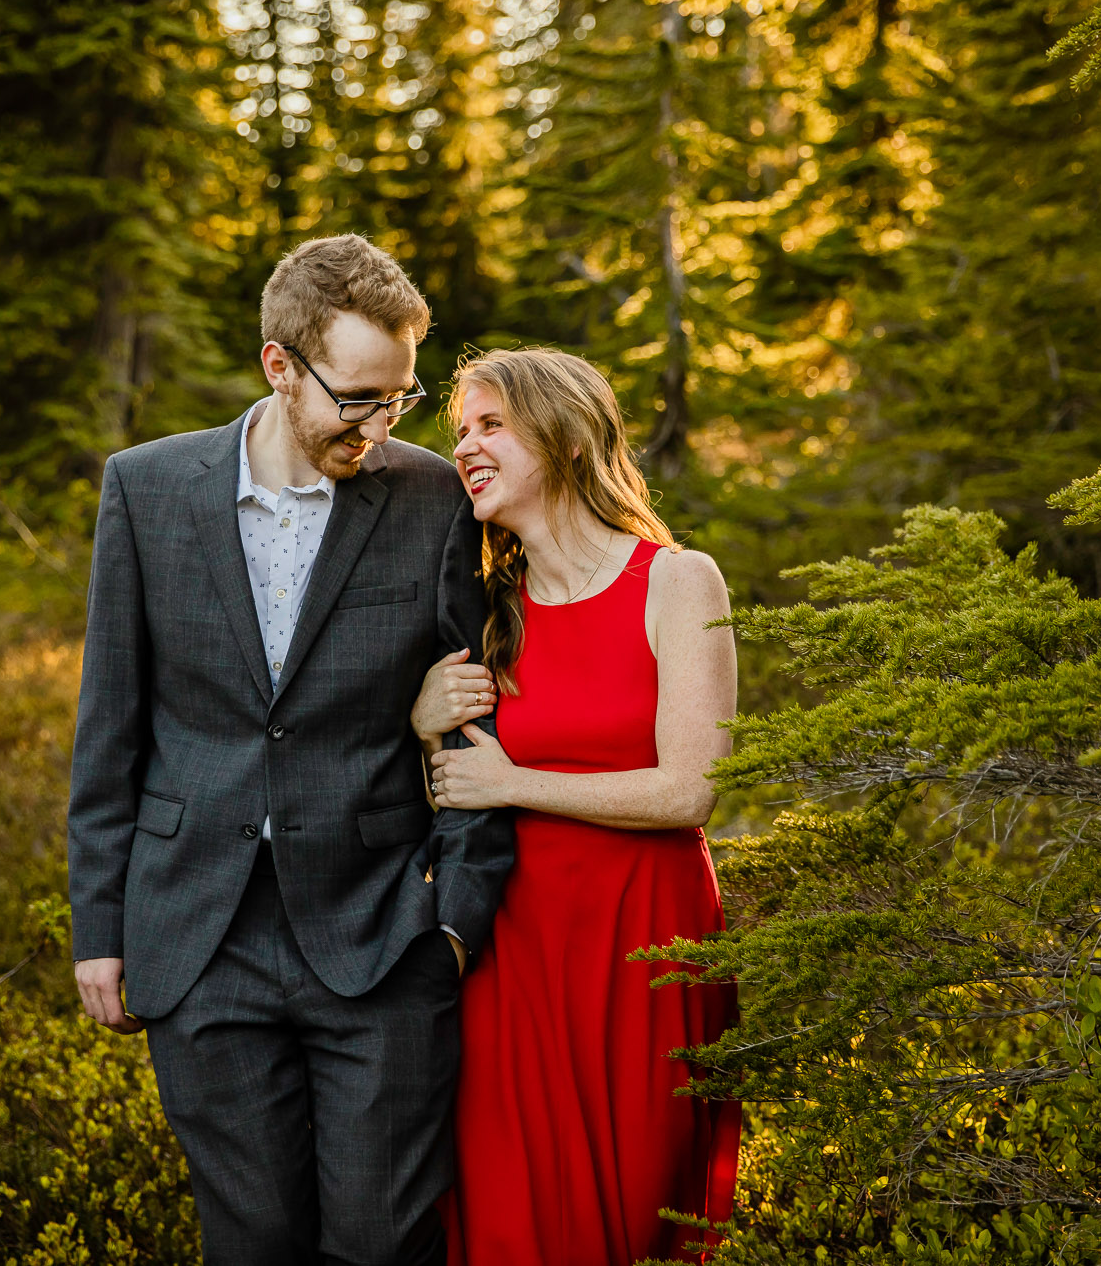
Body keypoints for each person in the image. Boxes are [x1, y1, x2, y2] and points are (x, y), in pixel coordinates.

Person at [66, 235, 515, 1266]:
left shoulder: (432, 497)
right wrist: (100, 924)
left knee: (379, 1242)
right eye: (356, 397)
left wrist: (452, 921)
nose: (376, 423)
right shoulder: (146, 489)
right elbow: (111, 723)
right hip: (197, 938)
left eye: (396, 398)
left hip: (381, 936)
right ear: (278, 365)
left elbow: (474, 710)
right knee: (253, 1243)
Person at [413, 348, 741, 1264]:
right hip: (511, 945)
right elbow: (425, 785)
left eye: (489, 426)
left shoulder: (677, 582)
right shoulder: (488, 607)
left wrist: (516, 783)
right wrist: (418, 720)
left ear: (559, 435)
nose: (465, 449)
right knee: (508, 1210)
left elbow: (692, 787)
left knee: (637, 1213)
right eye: (460, 431)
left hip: (646, 937)